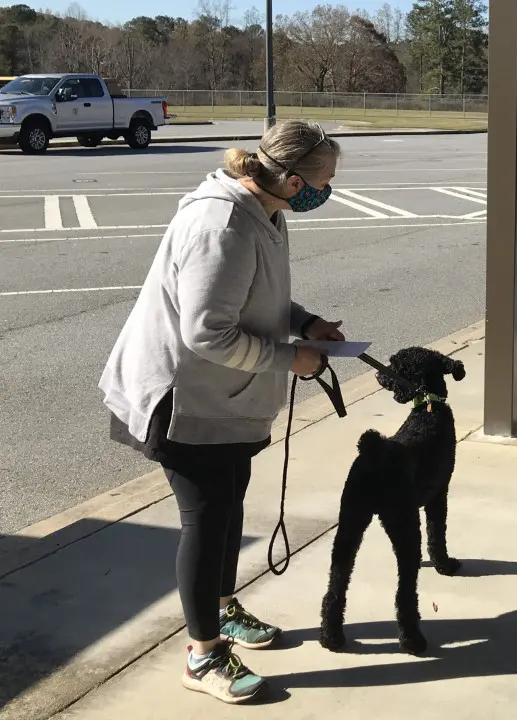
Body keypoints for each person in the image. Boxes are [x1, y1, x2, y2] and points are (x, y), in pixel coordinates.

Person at [99, 120, 346, 704]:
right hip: (183, 400)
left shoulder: (264, 209)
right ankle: (203, 654)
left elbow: (260, 296)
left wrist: (303, 323)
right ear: (290, 179)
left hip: (224, 398)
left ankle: (221, 609)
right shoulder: (223, 224)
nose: (328, 190)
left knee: (229, 509)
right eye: (324, 180)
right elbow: (208, 332)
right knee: (207, 523)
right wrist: (293, 359)